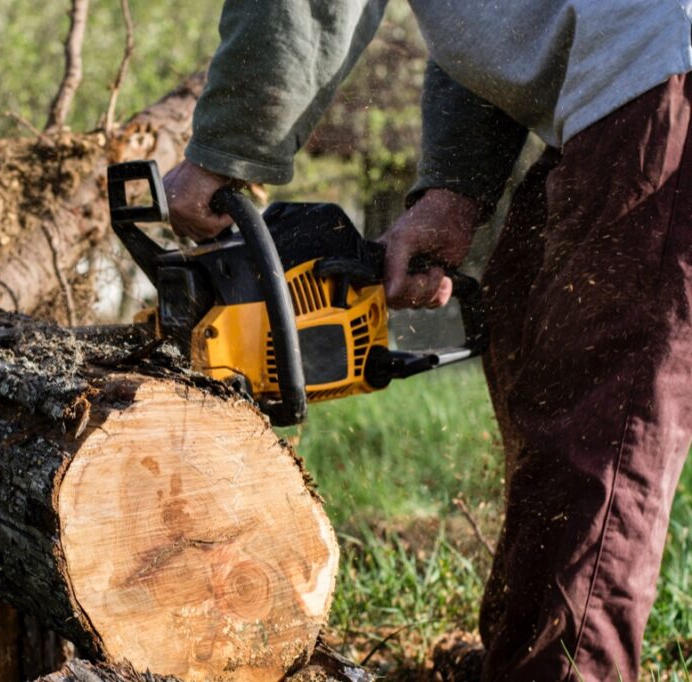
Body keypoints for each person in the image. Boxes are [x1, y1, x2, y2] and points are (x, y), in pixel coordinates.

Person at [162, 2, 692, 679]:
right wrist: (453, 192)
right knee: (526, 315)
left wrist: (227, 152)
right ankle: (521, 648)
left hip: (659, 74)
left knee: (598, 412)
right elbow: (487, 35)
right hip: (612, 86)